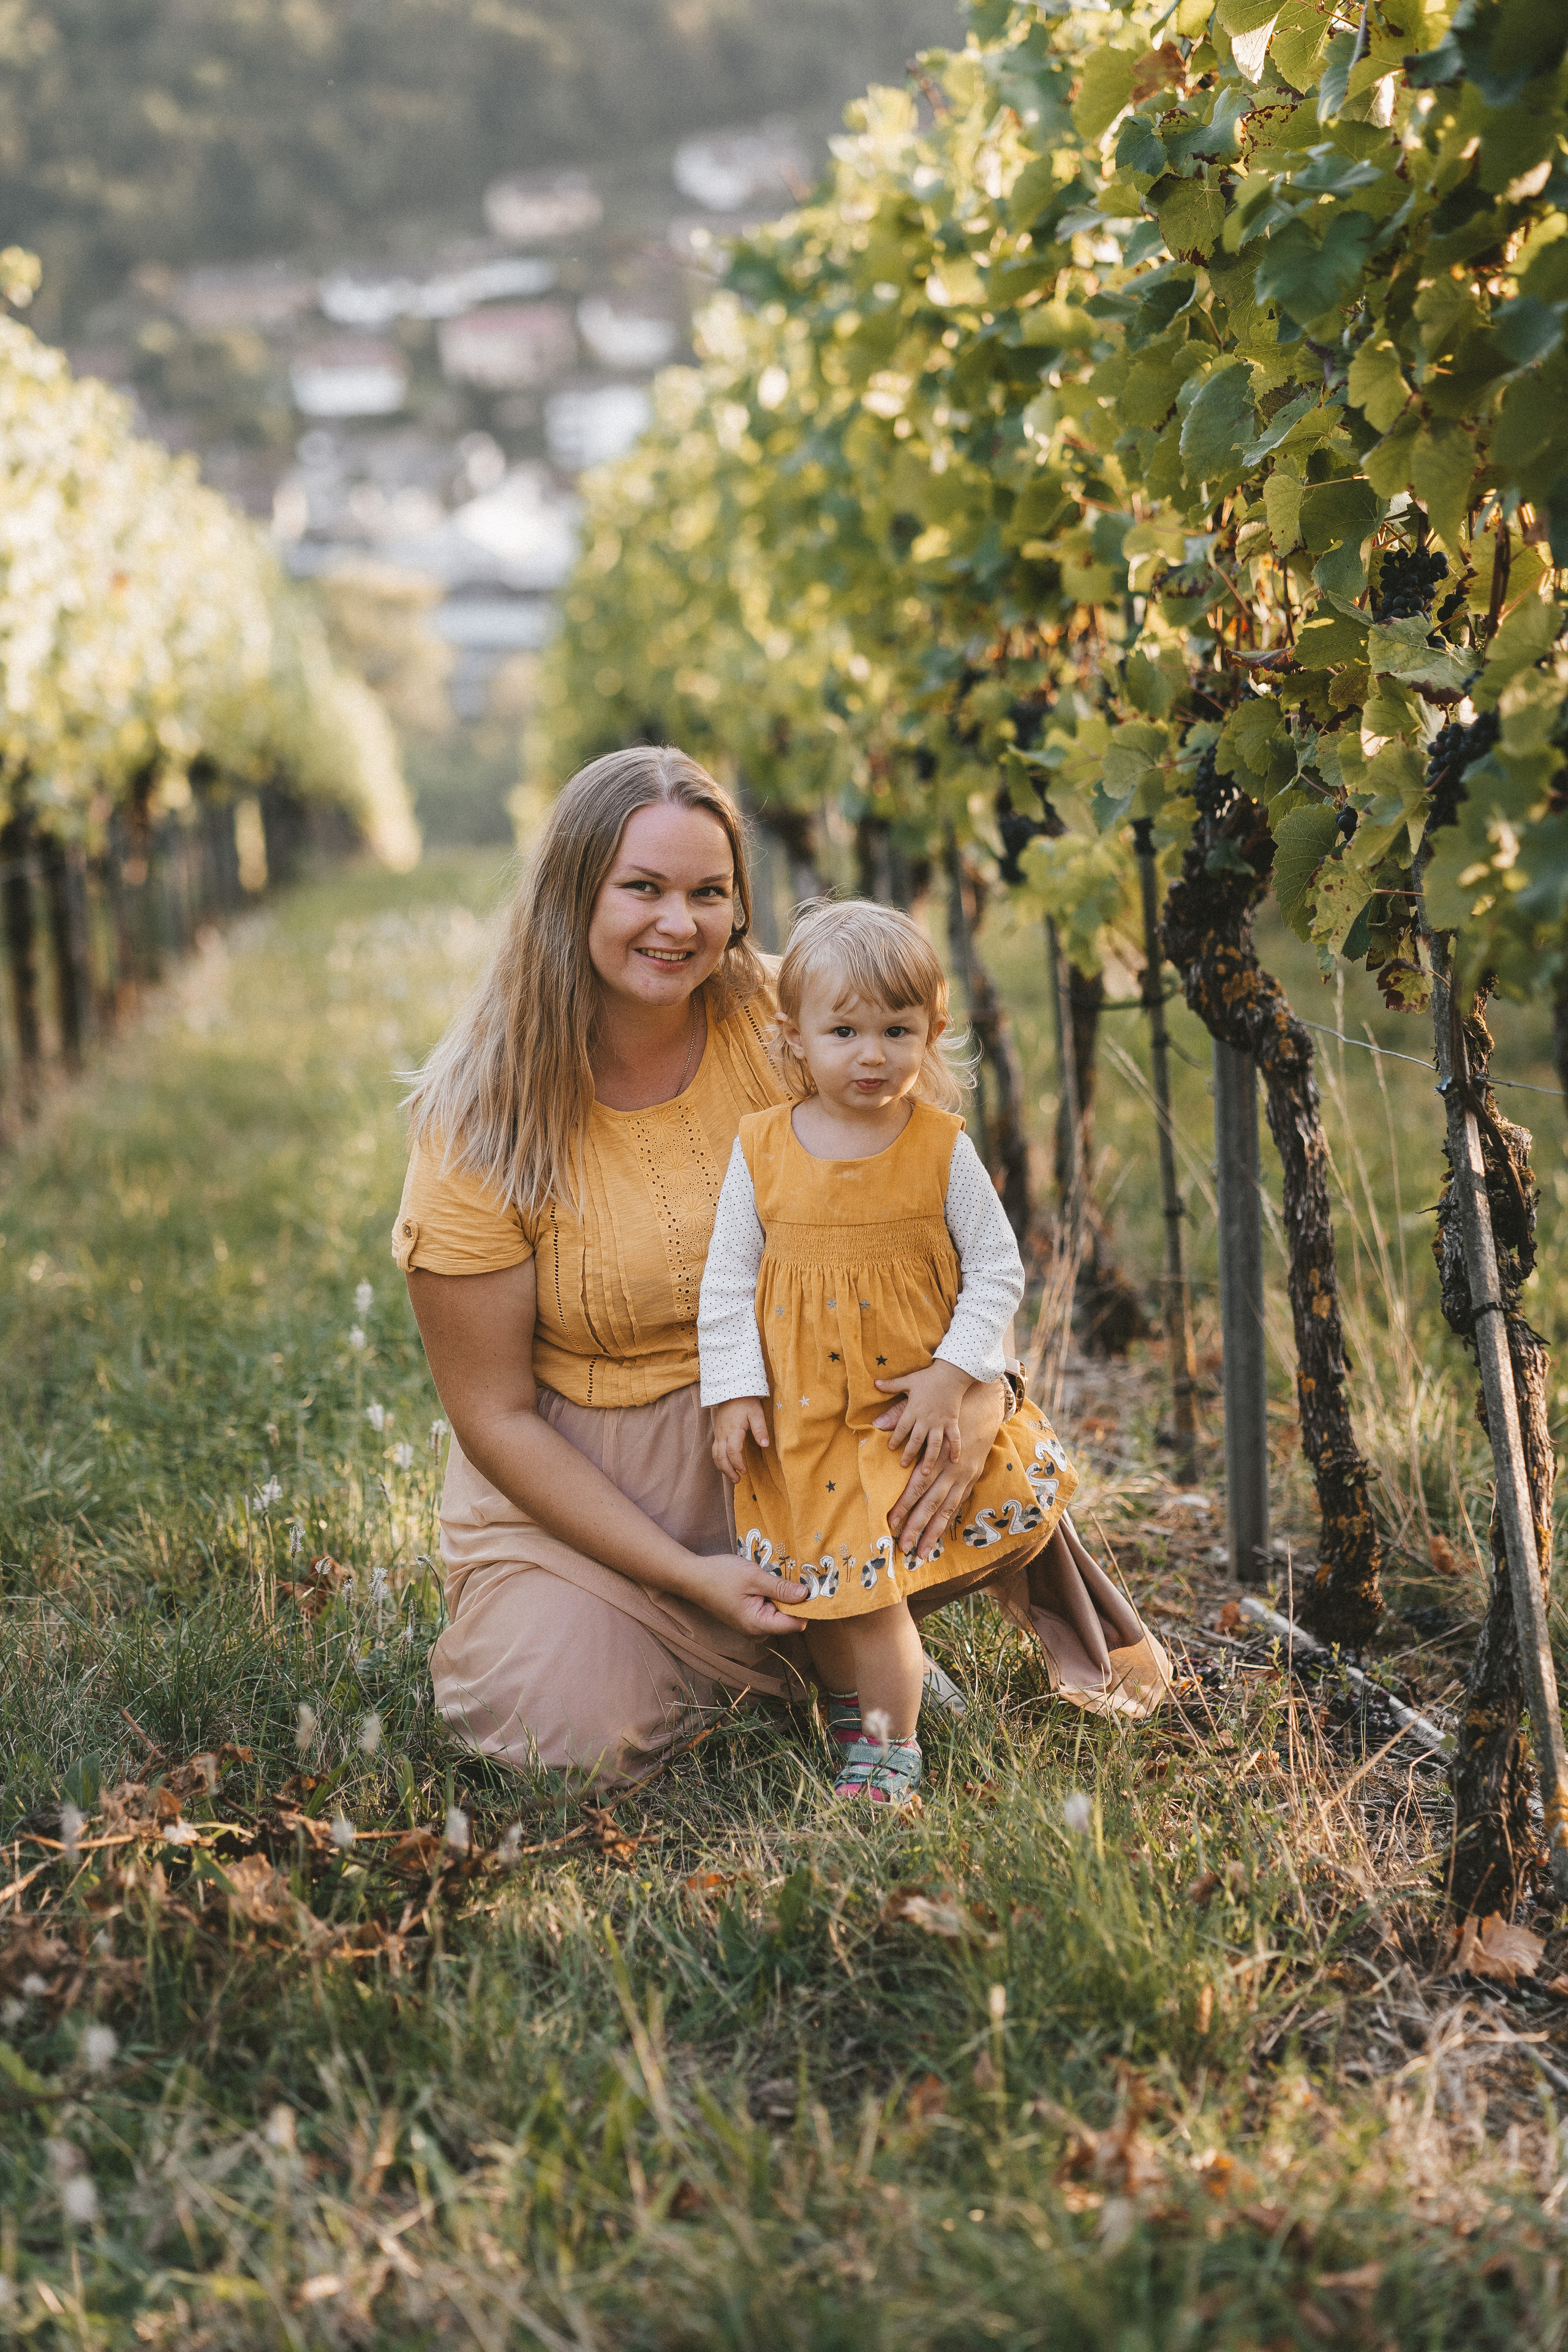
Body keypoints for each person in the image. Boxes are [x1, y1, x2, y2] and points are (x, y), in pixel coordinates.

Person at [394, 745, 1166, 1790]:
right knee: (564, 1742)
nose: (679, 924)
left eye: (709, 893)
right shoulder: (481, 1116)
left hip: (818, 1425)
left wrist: (980, 1385)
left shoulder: (792, 1017)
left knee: (963, 1472)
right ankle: (812, 1649)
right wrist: (688, 1574)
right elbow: (494, 1416)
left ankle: (858, 1649)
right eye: (643, 889)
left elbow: (932, 1213)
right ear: (572, 893)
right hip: (600, 1490)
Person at [698, 900, 1080, 1804]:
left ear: (932, 1033)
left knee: (872, 1596)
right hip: (807, 1416)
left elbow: (997, 1268)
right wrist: (735, 1389)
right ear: (794, 1038)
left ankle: (888, 1743)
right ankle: (856, 1701)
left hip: (905, 1406)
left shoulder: (939, 1148)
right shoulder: (762, 1148)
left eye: (896, 1031)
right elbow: (727, 1279)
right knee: (831, 1583)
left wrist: (956, 1373)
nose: (872, 1055)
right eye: (844, 1032)